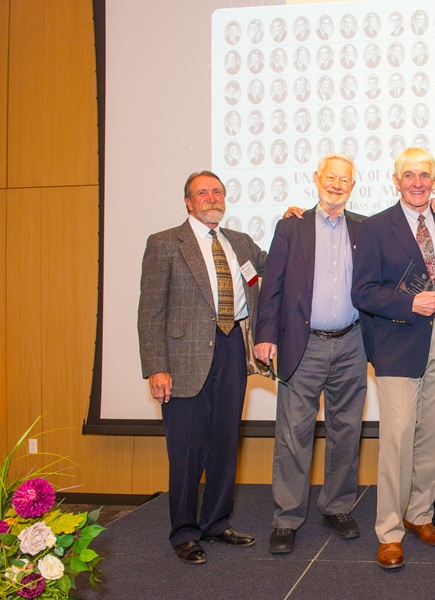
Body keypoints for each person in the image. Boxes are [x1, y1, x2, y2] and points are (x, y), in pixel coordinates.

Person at [138, 171, 267, 564]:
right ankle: (184, 532)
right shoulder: (164, 244)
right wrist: (156, 367)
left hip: (232, 350)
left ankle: (216, 523)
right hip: (182, 360)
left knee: (226, 445)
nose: (211, 197)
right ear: (189, 203)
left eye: (217, 191)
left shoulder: (241, 242)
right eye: (202, 193)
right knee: (187, 451)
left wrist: (296, 219)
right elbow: (150, 311)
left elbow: (281, 265)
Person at [351, 148, 435, 570]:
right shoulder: (376, 227)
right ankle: (389, 531)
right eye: (409, 175)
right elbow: (362, 292)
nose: (417, 182)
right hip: (398, 348)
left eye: (425, 175)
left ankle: (420, 516)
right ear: (395, 180)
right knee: (396, 442)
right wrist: (409, 302)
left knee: (433, 440)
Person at [254, 154, 368, 555]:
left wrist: (434, 207)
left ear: (353, 187)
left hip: (352, 343)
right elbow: (273, 287)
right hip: (303, 344)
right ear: (316, 178)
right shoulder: (291, 227)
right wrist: (265, 335)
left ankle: (337, 507)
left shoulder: (364, 229)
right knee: (293, 435)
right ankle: (287, 518)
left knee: (346, 431)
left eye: (345, 180)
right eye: (331, 177)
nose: (337, 184)